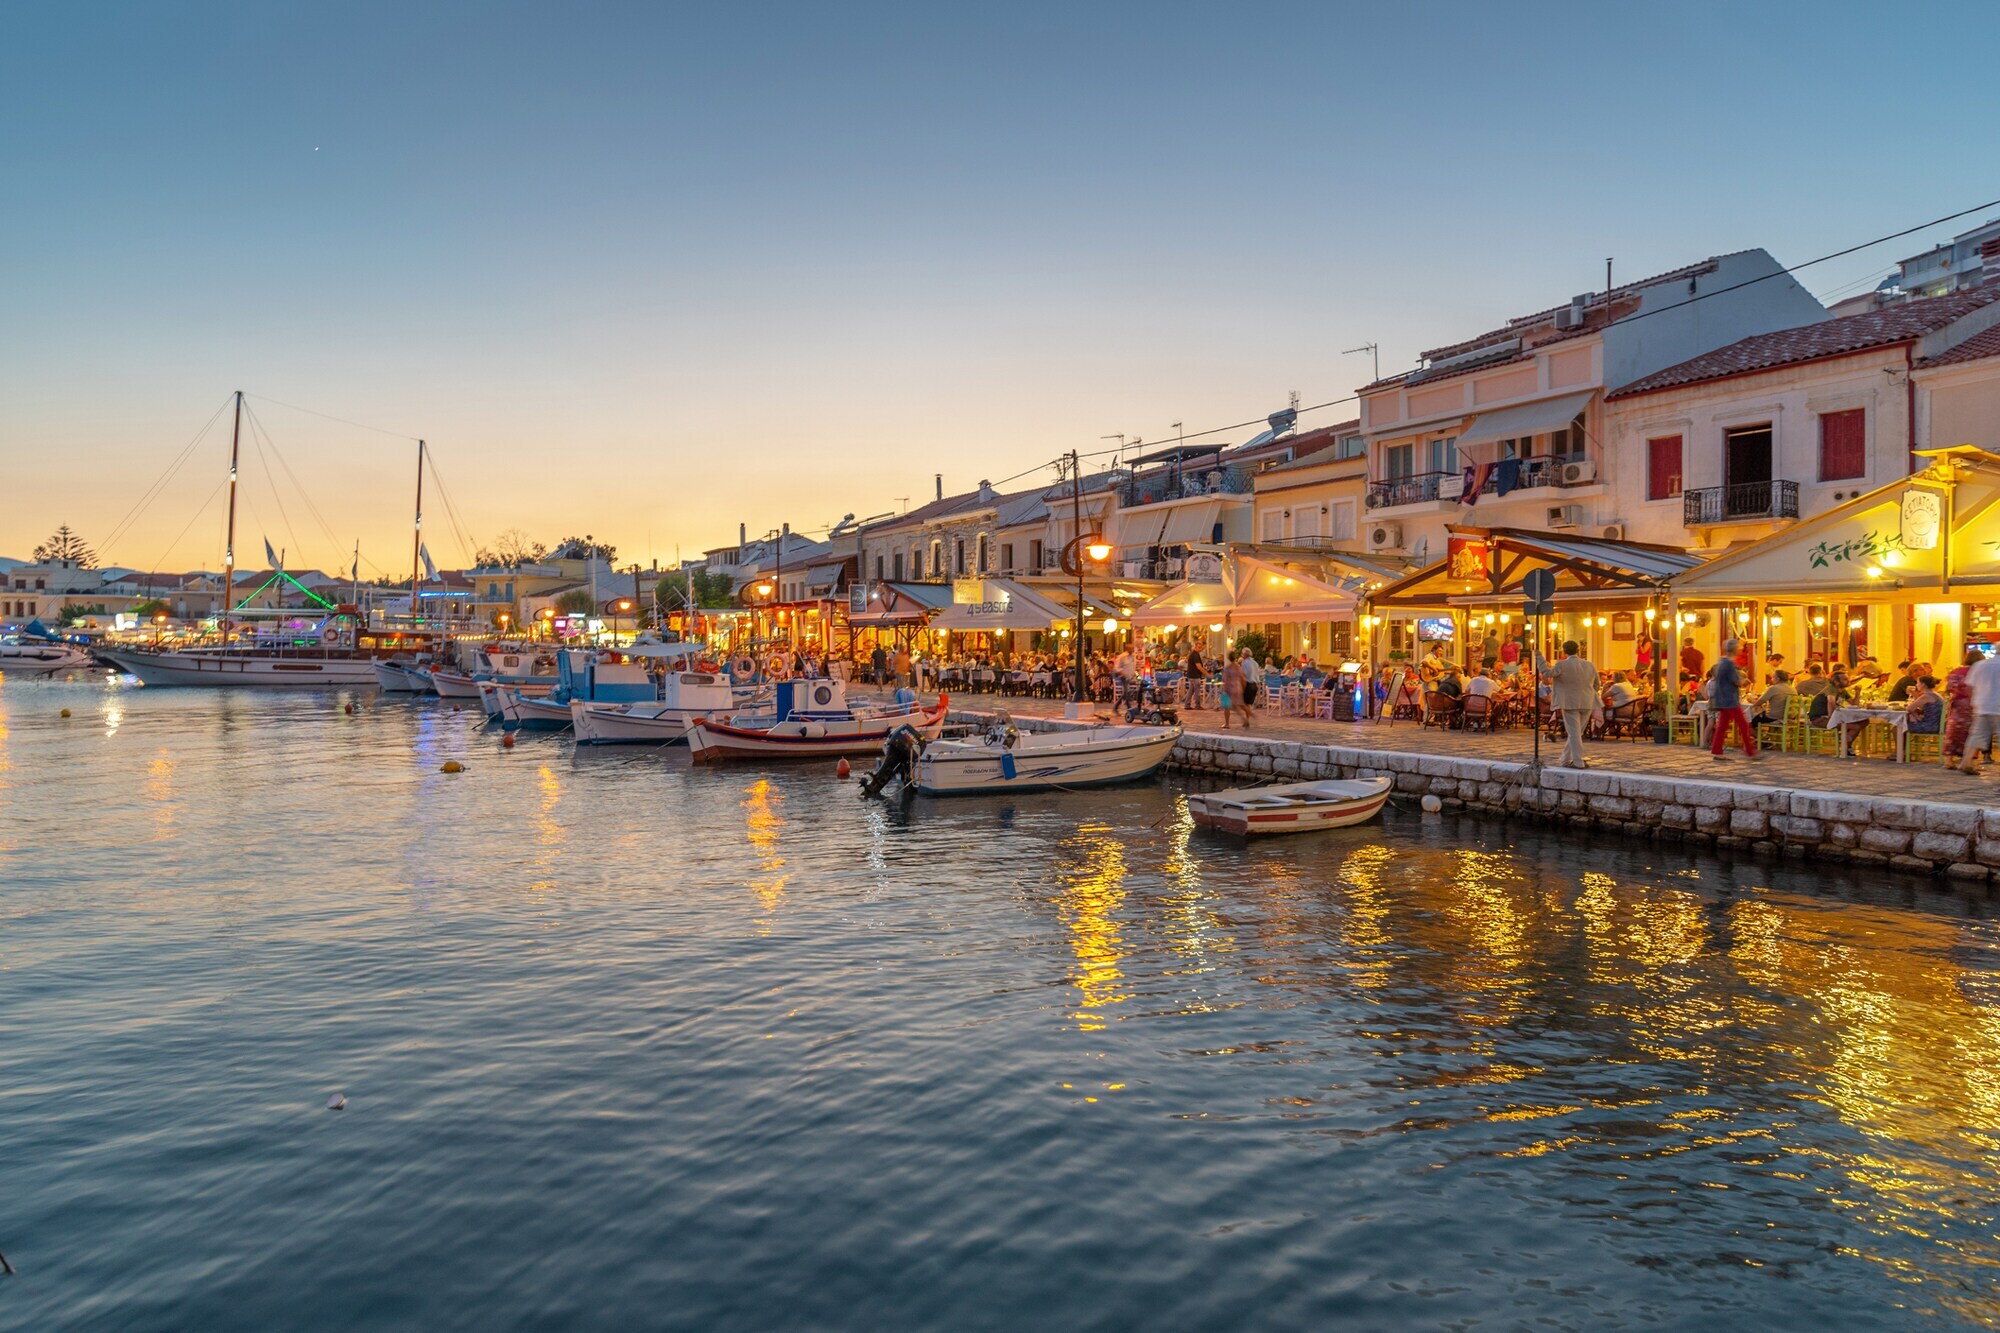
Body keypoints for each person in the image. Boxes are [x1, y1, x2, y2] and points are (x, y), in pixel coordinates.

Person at [1536, 639, 1600, 768]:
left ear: (1564, 651)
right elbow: (1597, 685)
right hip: (1587, 702)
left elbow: (1547, 674)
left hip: (1569, 702)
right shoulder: (1590, 665)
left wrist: (1539, 657)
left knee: (1574, 733)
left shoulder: (1562, 665)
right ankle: (1564, 760)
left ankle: (1578, 762)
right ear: (1578, 650)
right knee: (1576, 733)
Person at [1709, 637, 1760, 761]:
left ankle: (1717, 751)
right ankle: (1749, 751)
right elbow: (1736, 681)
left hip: (1723, 698)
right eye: (1739, 647)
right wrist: (1742, 680)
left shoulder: (1722, 662)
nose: (1741, 649)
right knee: (1743, 724)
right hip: (1730, 699)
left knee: (1722, 726)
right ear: (1734, 649)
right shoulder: (1729, 664)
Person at [1959, 650, 2000, 777]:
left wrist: (1975, 701)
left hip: (1981, 705)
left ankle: (1966, 762)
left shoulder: (1980, 665)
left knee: (1976, 735)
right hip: (1998, 706)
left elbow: (1969, 686)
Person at [1945, 649, 1981, 770]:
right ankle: (1969, 760)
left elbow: (1948, 687)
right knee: (1972, 732)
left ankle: (1948, 760)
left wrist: (1956, 693)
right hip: (1973, 704)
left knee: (1953, 731)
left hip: (1957, 704)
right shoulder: (1978, 671)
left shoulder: (1957, 671)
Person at [1220, 652, 1247, 730]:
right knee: (1237, 705)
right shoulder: (1238, 667)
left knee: (1226, 706)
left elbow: (1225, 679)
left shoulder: (1227, 668)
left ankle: (1227, 723)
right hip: (1237, 687)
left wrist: (1224, 688)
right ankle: (1244, 718)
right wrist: (1243, 686)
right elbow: (1242, 677)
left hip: (1229, 688)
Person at [1239, 649, 1264, 718]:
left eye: (1242, 654)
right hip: (1254, 685)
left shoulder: (1245, 663)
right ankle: (1247, 719)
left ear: (1244, 655)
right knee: (1249, 704)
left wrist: (1242, 687)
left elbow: (1243, 676)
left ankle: (1250, 715)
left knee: (1241, 703)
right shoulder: (1255, 663)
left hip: (1248, 685)